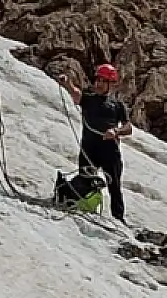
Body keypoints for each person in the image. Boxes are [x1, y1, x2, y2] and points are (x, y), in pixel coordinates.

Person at [58, 63, 133, 223]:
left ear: (111, 84)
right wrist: (68, 84)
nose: (98, 83)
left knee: (114, 186)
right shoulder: (89, 98)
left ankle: (118, 219)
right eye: (98, 79)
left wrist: (116, 132)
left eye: (103, 80)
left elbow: (128, 128)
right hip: (89, 149)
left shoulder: (118, 106)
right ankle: (76, 203)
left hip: (110, 152)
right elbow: (77, 95)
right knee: (85, 179)